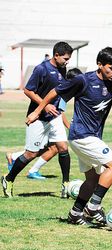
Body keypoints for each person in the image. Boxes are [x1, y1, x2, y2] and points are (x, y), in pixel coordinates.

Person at [25, 47, 112, 225]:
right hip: (81, 136)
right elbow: (55, 92)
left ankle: (75, 213)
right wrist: (36, 112)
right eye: (110, 69)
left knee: (92, 180)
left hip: (91, 137)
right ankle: (93, 208)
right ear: (99, 65)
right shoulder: (82, 80)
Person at [2, 41, 73, 198]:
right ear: (56, 55)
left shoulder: (63, 68)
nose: (67, 62)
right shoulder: (42, 69)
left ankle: (65, 184)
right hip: (38, 117)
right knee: (31, 154)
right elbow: (28, 90)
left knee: (62, 147)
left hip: (55, 116)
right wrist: (44, 105)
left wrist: (62, 114)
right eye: (65, 58)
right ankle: (8, 179)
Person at [6, 68, 82, 180]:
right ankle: (19, 168)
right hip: (42, 121)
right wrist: (69, 127)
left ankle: (22, 162)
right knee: (40, 150)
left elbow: (59, 111)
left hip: (51, 121)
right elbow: (59, 112)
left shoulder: (64, 88)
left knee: (56, 148)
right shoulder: (62, 89)